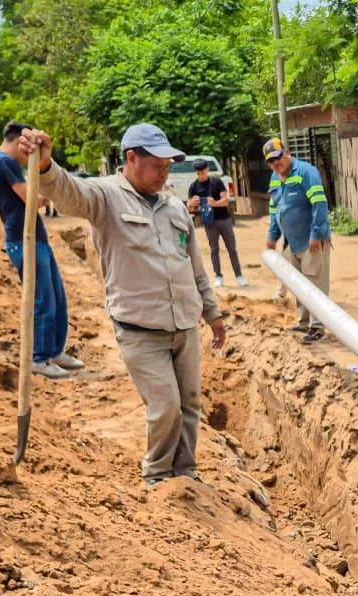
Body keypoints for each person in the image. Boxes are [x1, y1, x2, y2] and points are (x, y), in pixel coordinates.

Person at [15, 123, 227, 488]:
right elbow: (69, 195)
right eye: (158, 166)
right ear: (132, 158)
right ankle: (158, 477)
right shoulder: (106, 198)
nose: (165, 173)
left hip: (185, 325)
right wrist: (48, 166)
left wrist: (212, 312)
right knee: (166, 408)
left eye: (168, 166)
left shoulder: (174, 206)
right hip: (141, 330)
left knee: (190, 405)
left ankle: (186, 475)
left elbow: (194, 265)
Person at [0, 121, 81, 380]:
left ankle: (54, 352)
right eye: (28, 151)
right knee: (44, 301)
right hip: (23, 239)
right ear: (19, 141)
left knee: (58, 298)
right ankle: (39, 358)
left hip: (35, 238)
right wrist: (50, 190)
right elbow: (34, 199)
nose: (29, 156)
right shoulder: (3, 162)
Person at [263, 138, 330, 342]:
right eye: (271, 161)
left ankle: (317, 328)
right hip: (292, 242)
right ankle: (304, 323)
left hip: (312, 242)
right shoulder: (275, 178)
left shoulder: (305, 172)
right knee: (299, 284)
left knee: (315, 283)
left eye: (278, 157)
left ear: (287, 153)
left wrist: (316, 234)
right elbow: (275, 209)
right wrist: (272, 236)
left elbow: (319, 203)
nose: (276, 163)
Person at [187, 158, 247, 289]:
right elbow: (189, 207)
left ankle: (239, 275)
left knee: (232, 249)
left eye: (203, 172)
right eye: (198, 173)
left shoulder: (216, 182)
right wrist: (192, 203)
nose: (201, 175)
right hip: (209, 222)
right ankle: (218, 276)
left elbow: (225, 200)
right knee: (214, 250)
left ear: (207, 170)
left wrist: (214, 203)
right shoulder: (194, 186)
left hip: (224, 219)